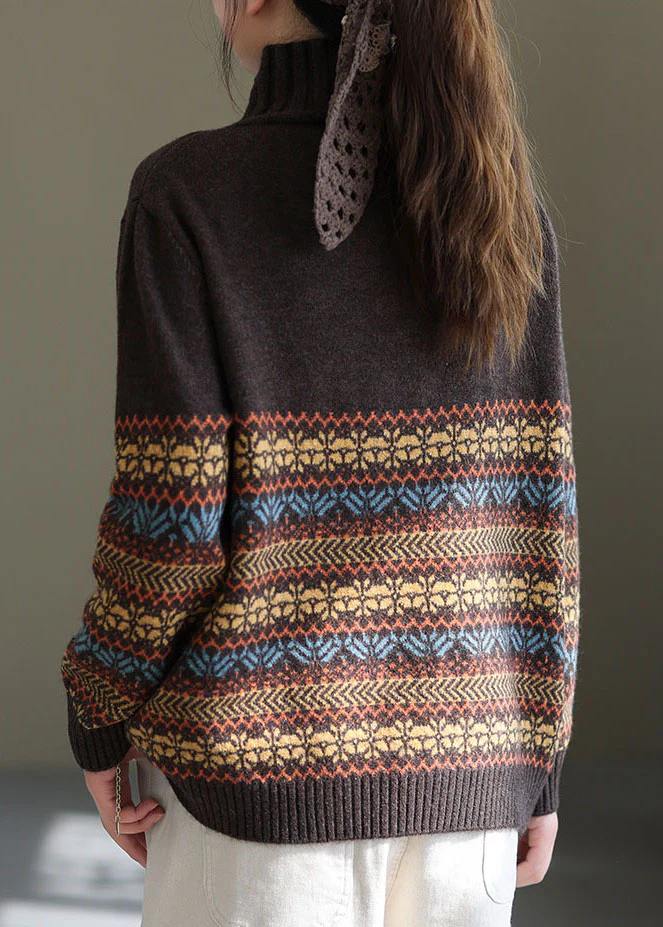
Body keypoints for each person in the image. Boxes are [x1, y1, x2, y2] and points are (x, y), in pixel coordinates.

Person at [60, 1, 581, 924]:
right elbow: (537, 517)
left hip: (254, 815)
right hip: (468, 805)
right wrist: (537, 763)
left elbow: (171, 525)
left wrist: (97, 709)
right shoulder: (502, 204)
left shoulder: (187, 197)